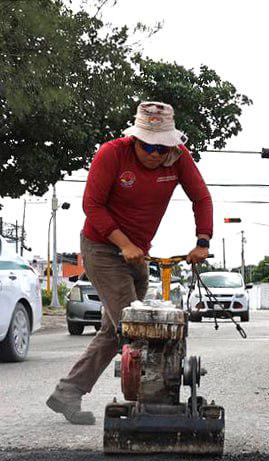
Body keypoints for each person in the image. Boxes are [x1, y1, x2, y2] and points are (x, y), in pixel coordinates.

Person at [46, 101, 213, 425]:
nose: (153, 153)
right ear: (134, 139)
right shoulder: (112, 153)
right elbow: (91, 205)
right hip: (102, 246)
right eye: (146, 146)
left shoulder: (179, 158)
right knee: (135, 324)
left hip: (138, 252)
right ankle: (153, 399)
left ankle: (67, 392)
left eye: (160, 147)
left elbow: (201, 197)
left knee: (117, 329)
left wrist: (202, 241)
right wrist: (123, 244)